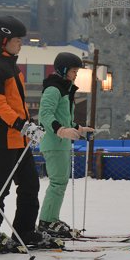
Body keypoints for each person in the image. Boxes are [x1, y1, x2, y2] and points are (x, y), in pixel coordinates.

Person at [0, 16, 59, 252]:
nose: (20, 44)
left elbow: (16, 103)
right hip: (1, 139)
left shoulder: (9, 64)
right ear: (3, 40)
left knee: (30, 185)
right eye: (16, 40)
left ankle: (25, 231)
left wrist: (28, 124)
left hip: (19, 139)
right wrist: (22, 125)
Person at [37, 52, 94, 238]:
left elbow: (64, 118)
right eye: (73, 71)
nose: (76, 74)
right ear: (63, 70)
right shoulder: (54, 89)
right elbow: (45, 115)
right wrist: (61, 131)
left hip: (61, 142)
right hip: (54, 142)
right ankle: (47, 221)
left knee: (60, 182)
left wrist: (79, 128)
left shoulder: (64, 89)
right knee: (58, 182)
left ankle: (51, 218)